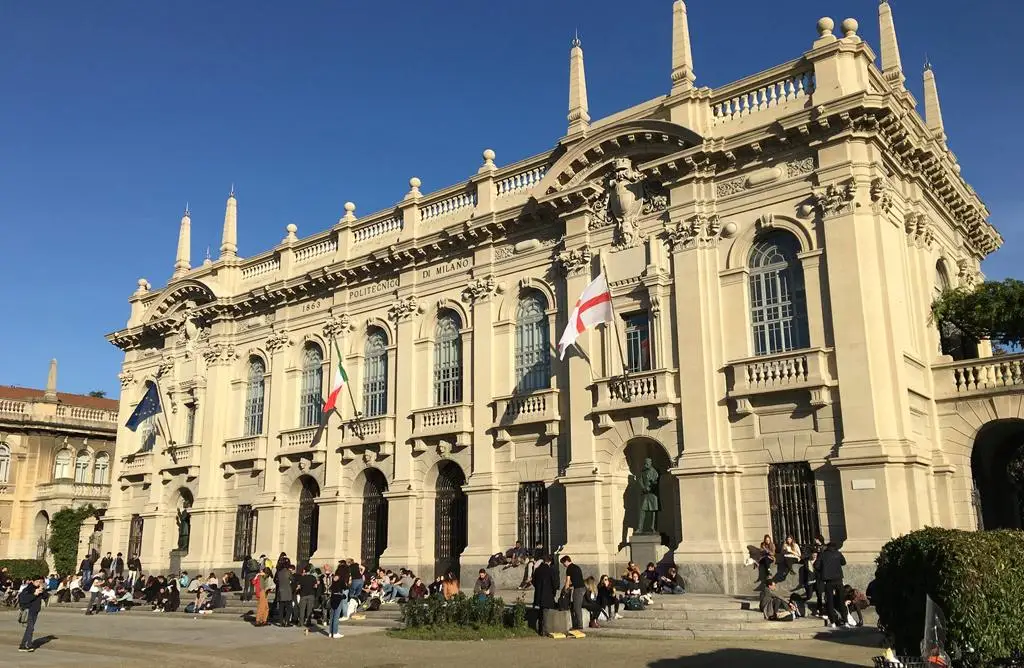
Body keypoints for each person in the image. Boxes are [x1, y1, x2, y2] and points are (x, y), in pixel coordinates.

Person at [815, 541, 847, 628]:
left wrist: (823, 570)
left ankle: (832, 622)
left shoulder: (823, 554)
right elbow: (844, 562)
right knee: (841, 601)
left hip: (828, 581)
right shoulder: (838, 553)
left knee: (830, 602)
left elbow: (816, 566)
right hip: (839, 580)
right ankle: (845, 621)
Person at [18, 576, 48, 652]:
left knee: (29, 628)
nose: (39, 583)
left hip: (35, 610)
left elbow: (46, 596)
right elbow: (23, 599)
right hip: (29, 610)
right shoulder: (28, 589)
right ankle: (28, 644)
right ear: (33, 581)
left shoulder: (40, 588)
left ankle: (23, 645)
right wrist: (34, 594)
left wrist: (43, 590)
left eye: (40, 582)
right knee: (30, 628)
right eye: (37, 582)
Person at [532, 554, 557, 637]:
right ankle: (544, 630)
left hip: (539, 593)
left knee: (541, 611)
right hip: (547, 594)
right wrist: (554, 593)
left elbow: (533, 581)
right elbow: (554, 583)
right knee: (545, 612)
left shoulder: (538, 570)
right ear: (549, 561)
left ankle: (540, 629)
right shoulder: (550, 570)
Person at [560, 554, 586, 631]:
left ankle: (579, 625)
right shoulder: (577, 567)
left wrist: (565, 591)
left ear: (567, 561)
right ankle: (579, 623)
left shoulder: (569, 569)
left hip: (578, 589)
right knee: (578, 606)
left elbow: (568, 581)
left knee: (576, 607)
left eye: (563, 563)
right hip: (583, 588)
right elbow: (577, 579)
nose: (563, 565)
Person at [294, 564, 319, 632]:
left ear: (305, 571)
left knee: (302, 609)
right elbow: (316, 586)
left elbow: (299, 586)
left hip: (303, 595)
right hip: (311, 594)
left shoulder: (302, 578)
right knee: (309, 609)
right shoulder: (313, 577)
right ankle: (308, 622)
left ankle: (301, 622)